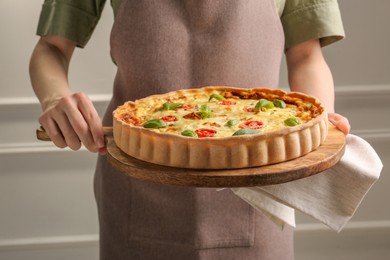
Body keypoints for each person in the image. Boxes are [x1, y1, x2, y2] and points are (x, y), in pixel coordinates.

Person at [29, 0, 351, 259]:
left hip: (258, 192)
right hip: (136, 187)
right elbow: (51, 49)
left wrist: (320, 116)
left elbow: (307, 54)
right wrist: (55, 98)